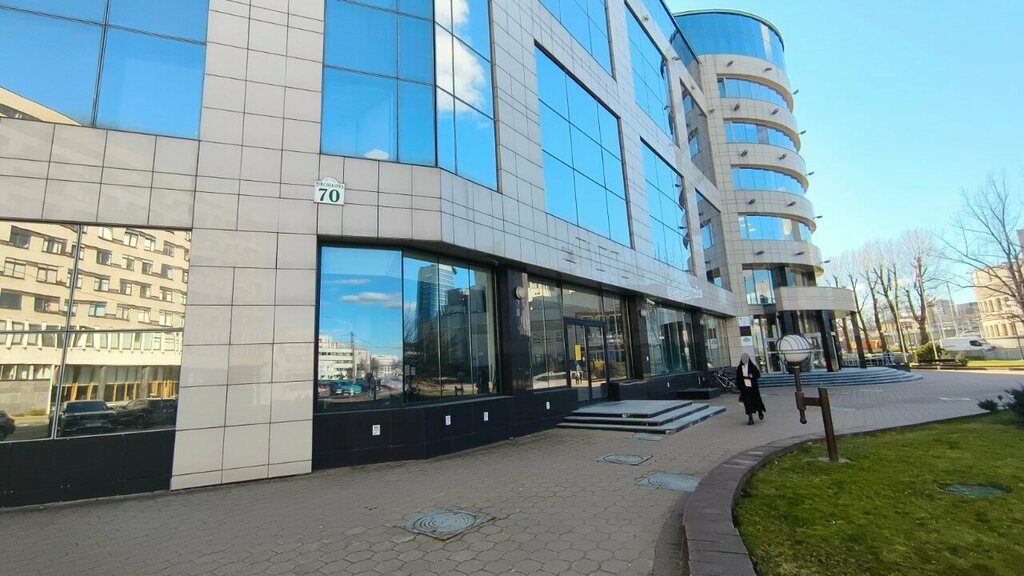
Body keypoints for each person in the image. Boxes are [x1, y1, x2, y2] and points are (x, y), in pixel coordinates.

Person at [736, 353, 766, 425]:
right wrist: (739, 388)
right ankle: (750, 418)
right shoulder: (740, 367)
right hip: (745, 388)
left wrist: (752, 376)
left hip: (753, 388)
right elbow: (738, 378)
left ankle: (760, 411)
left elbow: (757, 375)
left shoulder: (752, 366)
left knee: (756, 400)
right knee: (747, 403)